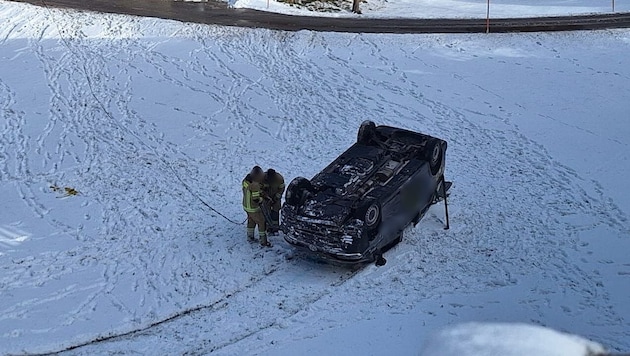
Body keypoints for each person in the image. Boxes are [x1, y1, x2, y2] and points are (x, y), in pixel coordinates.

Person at [242, 166, 271, 247]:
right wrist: (263, 199)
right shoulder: (255, 185)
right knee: (261, 223)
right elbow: (256, 199)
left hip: (246, 206)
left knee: (251, 220)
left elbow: (250, 191)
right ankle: (263, 242)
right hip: (253, 208)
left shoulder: (245, 181)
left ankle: (250, 236)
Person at [263, 168, 285, 234]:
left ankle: (275, 228)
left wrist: (277, 197)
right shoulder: (263, 178)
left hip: (276, 197)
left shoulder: (279, 178)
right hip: (266, 198)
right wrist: (266, 197)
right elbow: (261, 189)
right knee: (267, 212)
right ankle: (268, 227)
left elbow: (281, 188)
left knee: (275, 211)